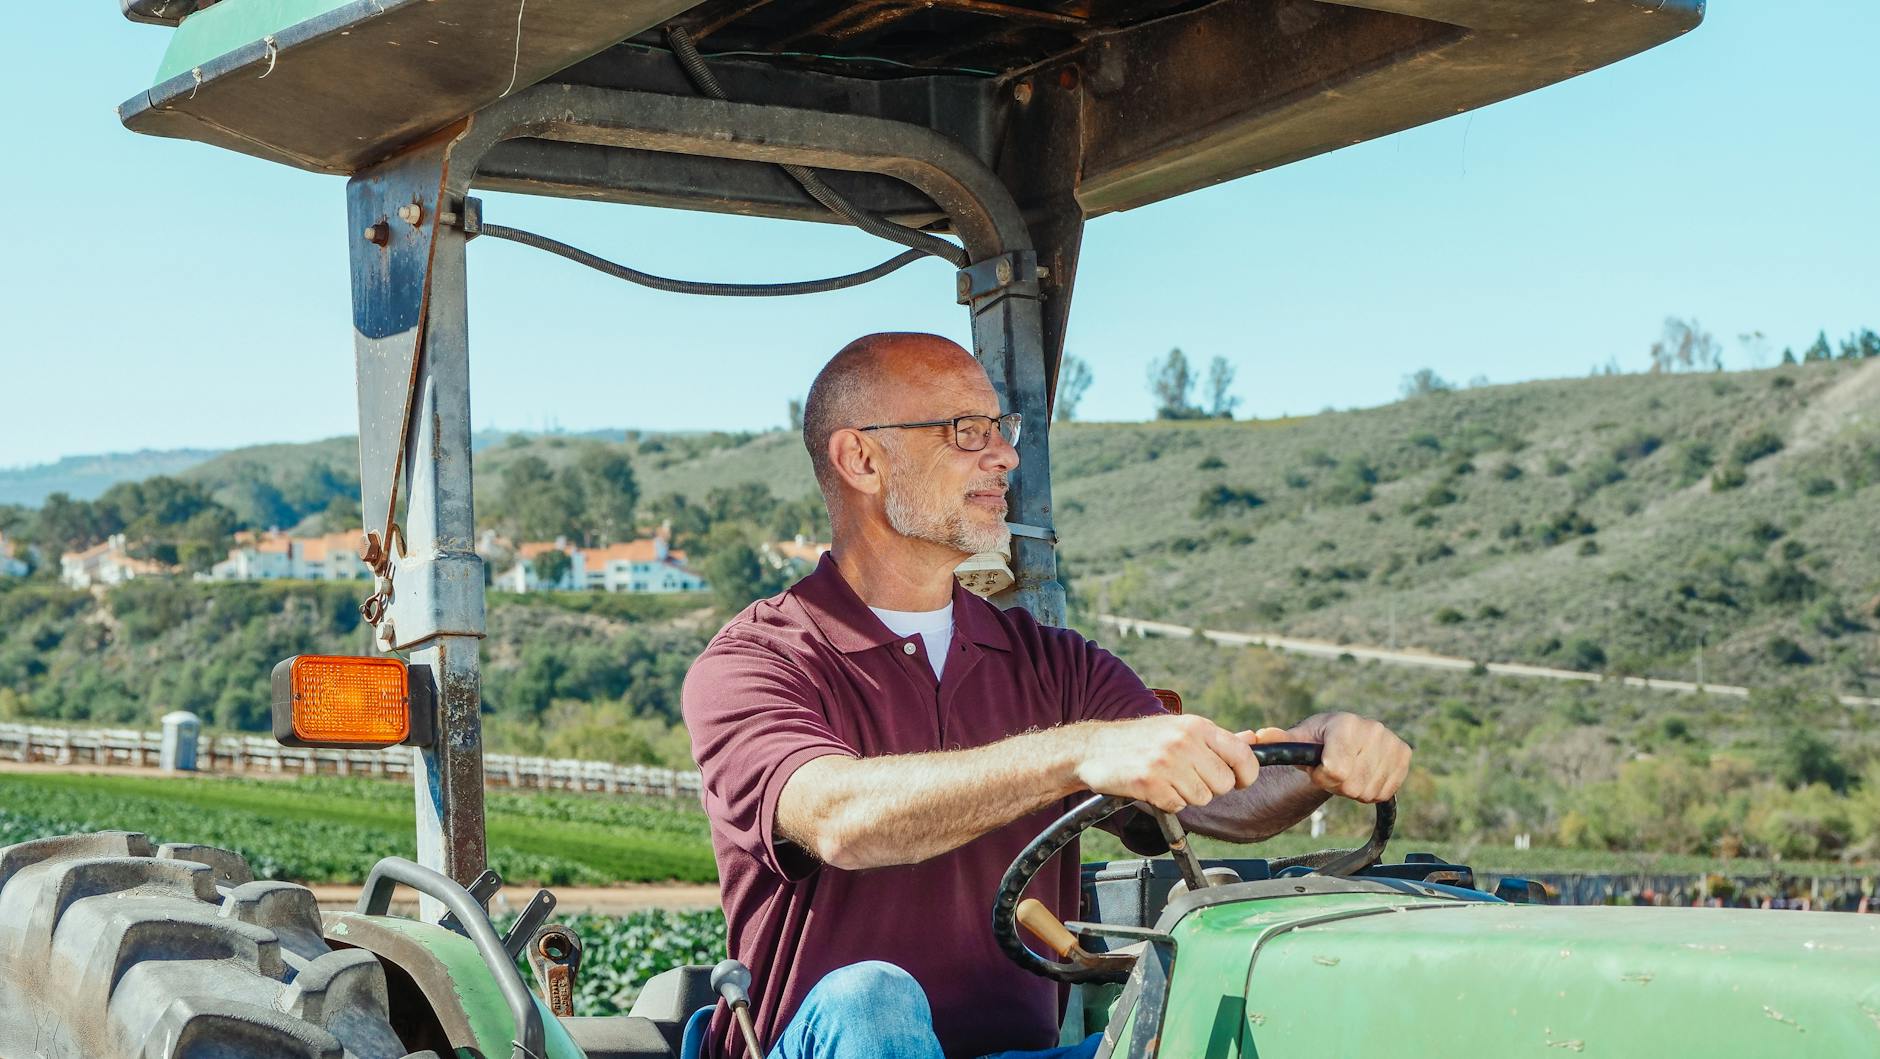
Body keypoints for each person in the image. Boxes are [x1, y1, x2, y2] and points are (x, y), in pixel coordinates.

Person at [682, 333, 1412, 1059]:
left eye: (1002, 429)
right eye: (966, 430)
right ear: (861, 459)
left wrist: (1319, 751)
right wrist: (1084, 751)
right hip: (825, 1045)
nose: (1003, 455)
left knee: (1213, 1023)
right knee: (870, 999)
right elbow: (841, 819)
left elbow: (1213, 800)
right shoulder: (756, 660)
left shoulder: (1054, 664)